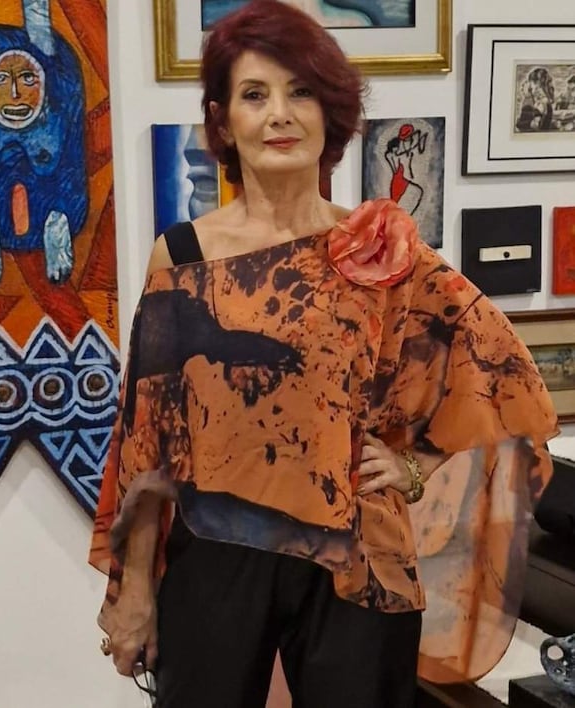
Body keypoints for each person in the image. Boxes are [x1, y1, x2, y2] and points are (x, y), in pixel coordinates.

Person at [89, 2, 559, 706]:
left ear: (329, 111)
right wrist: (133, 590)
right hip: (215, 550)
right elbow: (146, 443)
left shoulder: (382, 250)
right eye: (255, 95)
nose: (279, 115)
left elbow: (500, 371)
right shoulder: (182, 257)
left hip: (358, 554)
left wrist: (415, 465)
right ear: (223, 121)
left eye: (300, 91)